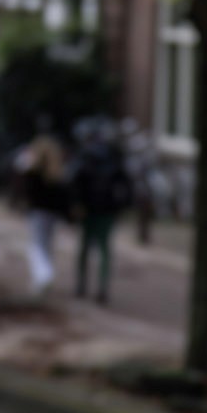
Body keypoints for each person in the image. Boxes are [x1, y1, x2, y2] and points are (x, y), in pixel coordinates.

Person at [68, 117, 133, 304]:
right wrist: (122, 206)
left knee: (85, 247)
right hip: (107, 209)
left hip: (88, 209)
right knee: (104, 248)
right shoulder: (114, 157)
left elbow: (74, 182)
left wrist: (75, 204)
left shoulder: (85, 156)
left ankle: (81, 285)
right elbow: (126, 184)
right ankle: (102, 287)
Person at [13, 127, 70, 297]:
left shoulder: (33, 171)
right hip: (52, 214)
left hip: (37, 212)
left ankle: (44, 276)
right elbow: (63, 194)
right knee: (47, 245)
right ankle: (43, 278)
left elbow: (19, 176)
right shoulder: (57, 172)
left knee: (36, 246)